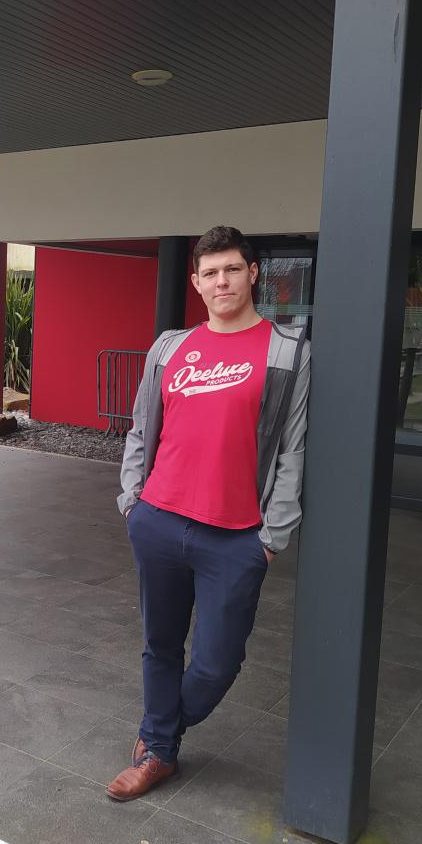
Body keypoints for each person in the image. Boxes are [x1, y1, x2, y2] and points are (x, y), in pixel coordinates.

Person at [106, 226, 310, 802]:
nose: (222, 280)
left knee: (219, 662)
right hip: (160, 520)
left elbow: (292, 449)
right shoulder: (170, 348)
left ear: (253, 275)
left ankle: (159, 731)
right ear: (196, 283)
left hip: (238, 537)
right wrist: (132, 503)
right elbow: (142, 427)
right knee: (161, 645)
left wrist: (272, 536)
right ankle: (159, 751)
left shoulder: (287, 352)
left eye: (232, 269)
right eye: (210, 272)